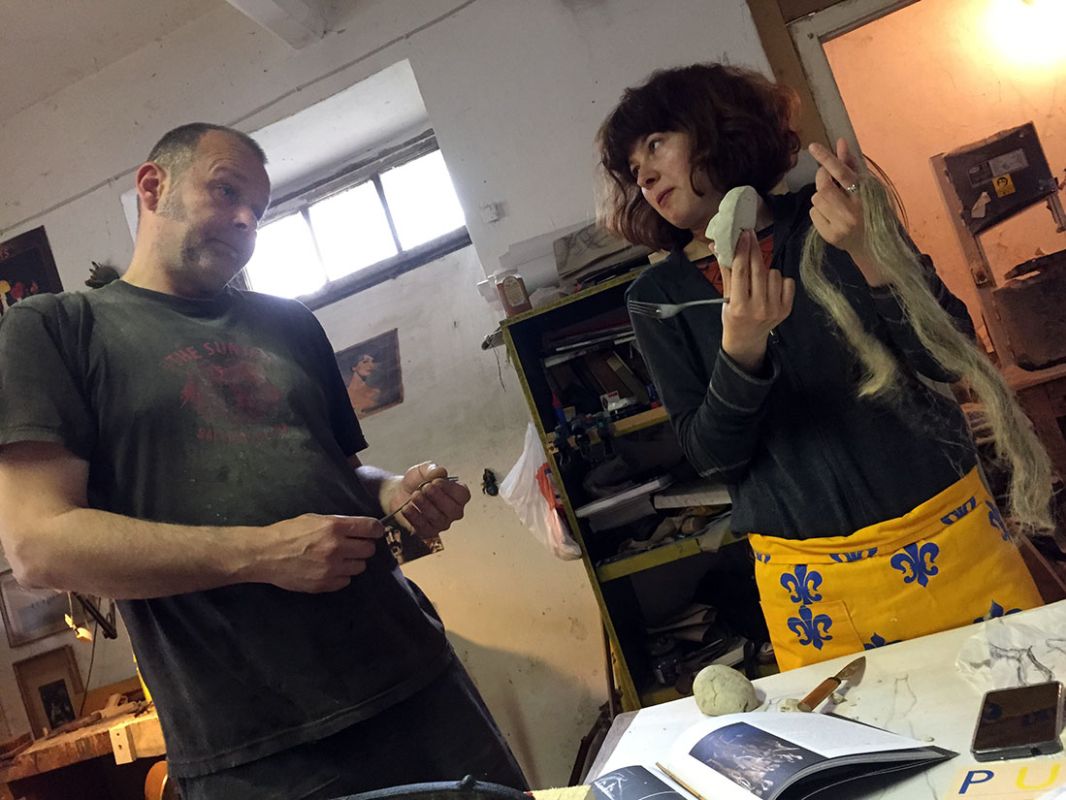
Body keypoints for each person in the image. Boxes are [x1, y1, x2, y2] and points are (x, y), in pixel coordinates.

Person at [0, 123, 526, 799]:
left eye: (259, 209)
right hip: (252, 749)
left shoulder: (291, 324)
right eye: (227, 191)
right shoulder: (56, 330)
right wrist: (262, 553)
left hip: (420, 683)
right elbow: (38, 545)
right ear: (153, 187)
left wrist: (394, 490)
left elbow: (341, 475)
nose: (247, 219)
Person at [596, 64, 1043, 671]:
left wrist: (872, 253)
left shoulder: (835, 216)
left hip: (949, 536)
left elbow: (951, 354)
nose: (644, 176)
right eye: (632, 168)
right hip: (814, 587)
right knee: (859, 733)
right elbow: (713, 458)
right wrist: (740, 352)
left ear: (717, 129)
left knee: (1020, 707)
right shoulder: (656, 297)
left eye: (655, 144)